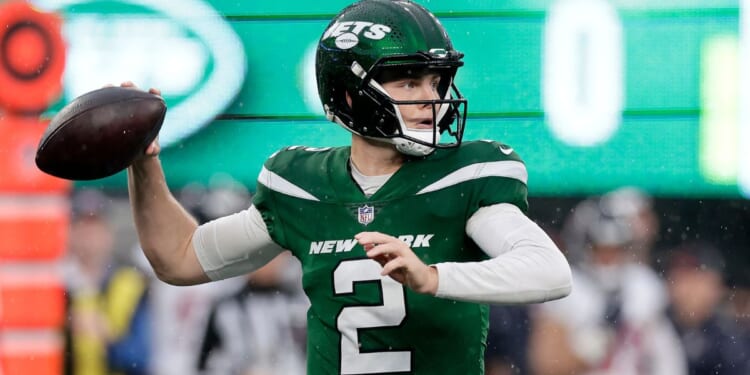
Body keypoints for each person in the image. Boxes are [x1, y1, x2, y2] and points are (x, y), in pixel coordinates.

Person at [124, 1, 572, 373]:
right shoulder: (301, 185)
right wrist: (144, 164)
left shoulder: (465, 175)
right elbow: (179, 258)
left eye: (436, 82)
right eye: (409, 81)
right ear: (351, 94)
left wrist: (432, 277)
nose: (432, 100)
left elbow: (549, 271)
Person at [529, 198, 685, 375]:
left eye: (615, 249)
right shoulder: (565, 287)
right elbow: (545, 364)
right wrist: (584, 352)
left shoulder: (643, 285)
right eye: (600, 249)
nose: (609, 259)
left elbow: (665, 354)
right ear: (584, 247)